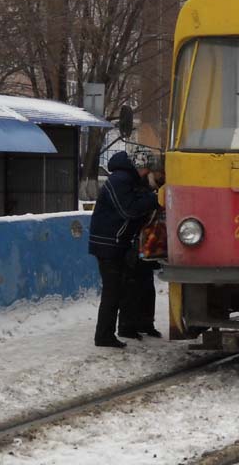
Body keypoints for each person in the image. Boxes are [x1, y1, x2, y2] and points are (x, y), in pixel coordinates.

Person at [88, 149, 159, 348]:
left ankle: (123, 328)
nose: (147, 173)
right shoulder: (120, 180)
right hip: (108, 243)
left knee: (124, 287)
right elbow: (128, 209)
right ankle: (104, 336)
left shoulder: (130, 180)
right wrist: (155, 199)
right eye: (146, 169)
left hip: (117, 242)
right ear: (138, 166)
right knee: (113, 291)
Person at [119, 153, 165, 340]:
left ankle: (146, 323)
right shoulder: (132, 185)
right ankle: (127, 326)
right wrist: (154, 200)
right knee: (131, 285)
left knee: (146, 285)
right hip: (132, 241)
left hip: (148, 243)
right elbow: (133, 209)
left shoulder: (148, 185)